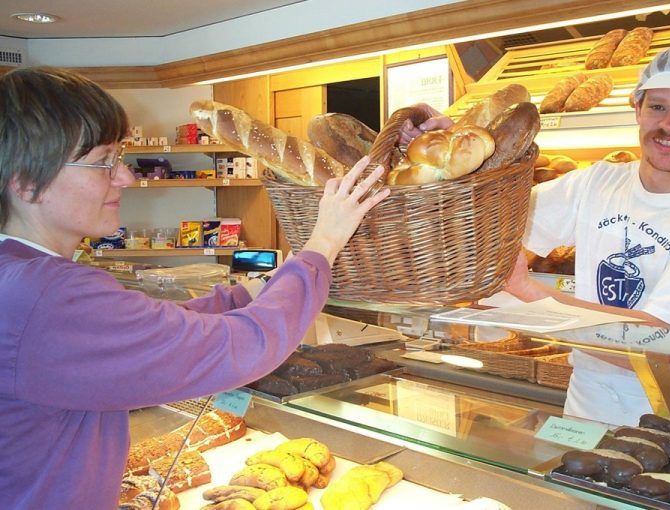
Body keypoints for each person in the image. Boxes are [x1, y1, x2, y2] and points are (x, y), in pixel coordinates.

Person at [0, 67, 390, 508]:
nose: (125, 177)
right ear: (27, 181)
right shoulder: (46, 294)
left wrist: (252, 291)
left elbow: (160, 328)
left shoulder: (19, 277)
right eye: (104, 162)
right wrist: (323, 244)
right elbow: (244, 346)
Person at [503, 43, 670, 333]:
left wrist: (525, 288)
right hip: (583, 378)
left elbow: (660, 342)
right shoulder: (598, 182)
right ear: (638, 109)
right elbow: (492, 222)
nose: (669, 124)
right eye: (657, 107)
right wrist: (458, 156)